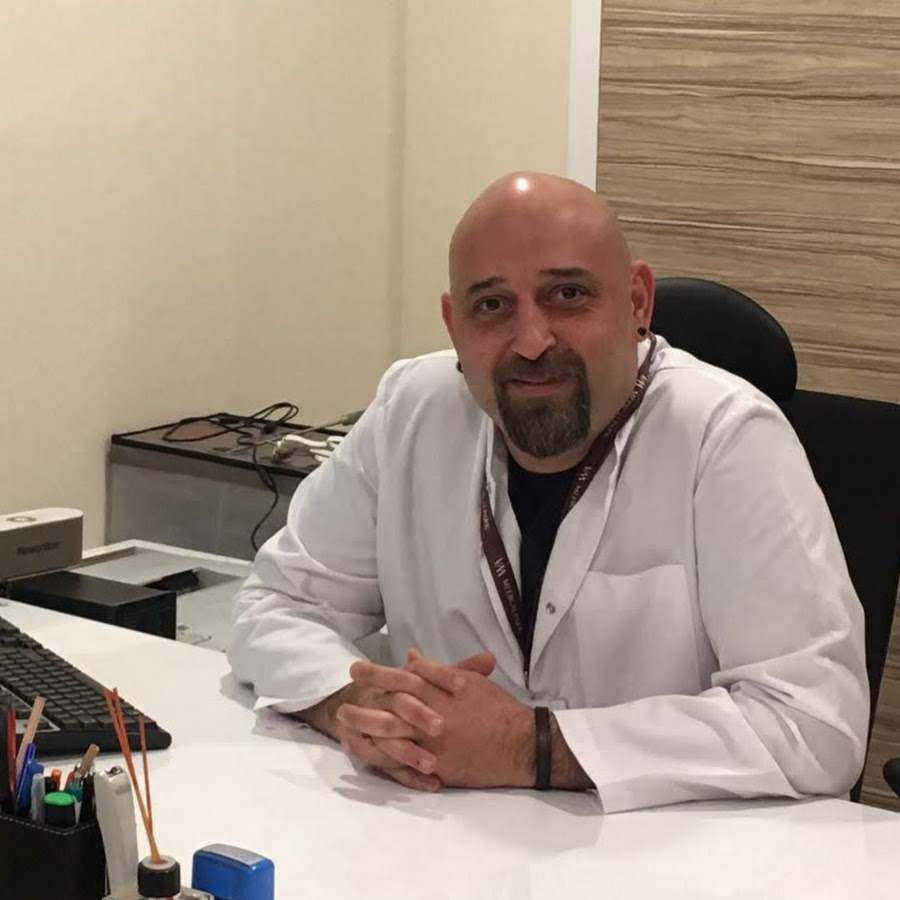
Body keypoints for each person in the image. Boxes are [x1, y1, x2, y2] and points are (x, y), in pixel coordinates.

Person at [228, 172, 868, 812]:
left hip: (671, 850)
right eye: (492, 306)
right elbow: (278, 604)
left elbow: (816, 724)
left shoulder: (725, 436)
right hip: (443, 835)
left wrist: (529, 746)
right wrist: (357, 702)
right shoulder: (411, 411)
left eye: (567, 295)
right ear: (453, 324)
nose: (532, 340)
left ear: (638, 303)